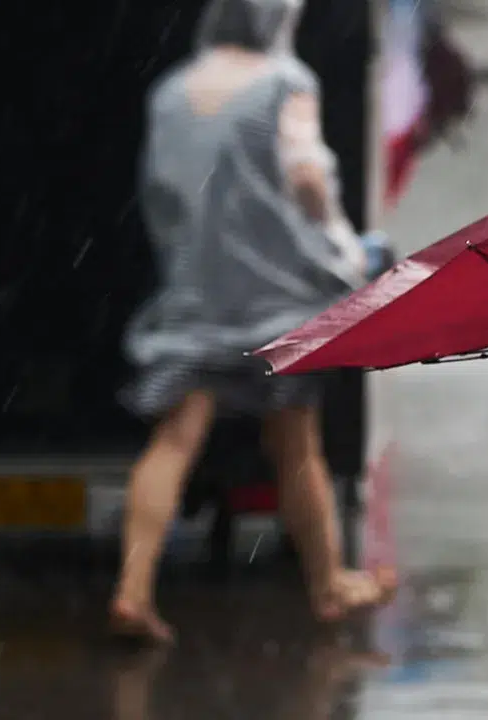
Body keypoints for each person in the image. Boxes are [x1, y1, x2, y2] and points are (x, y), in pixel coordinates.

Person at [112, 0, 394, 643]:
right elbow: (306, 176)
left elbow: (161, 191)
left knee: (174, 440)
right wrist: (342, 244)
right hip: (274, 293)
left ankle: (131, 592)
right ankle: (328, 585)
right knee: (296, 441)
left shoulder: (171, 90)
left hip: (195, 292)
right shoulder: (285, 83)